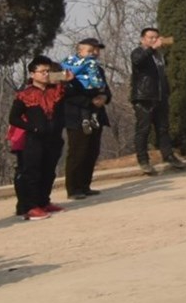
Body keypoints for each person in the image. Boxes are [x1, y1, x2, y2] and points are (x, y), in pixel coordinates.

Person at [10, 56, 68, 219]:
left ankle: (44, 202)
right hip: (34, 140)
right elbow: (13, 118)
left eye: (48, 71)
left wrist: (57, 76)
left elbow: (68, 76)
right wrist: (33, 128)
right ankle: (30, 206)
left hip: (54, 138)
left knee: (49, 171)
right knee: (32, 172)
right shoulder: (24, 95)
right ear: (32, 74)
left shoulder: (57, 90)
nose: (46, 75)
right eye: (42, 72)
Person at [59, 37, 112, 198]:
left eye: (96, 50)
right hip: (77, 117)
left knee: (92, 151)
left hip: (96, 116)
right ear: (79, 51)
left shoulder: (97, 69)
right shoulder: (68, 70)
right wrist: (90, 102)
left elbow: (105, 90)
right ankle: (73, 188)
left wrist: (104, 99)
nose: (94, 53)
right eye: (90, 50)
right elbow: (66, 94)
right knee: (77, 152)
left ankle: (85, 185)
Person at [128, 26, 184, 175]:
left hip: (160, 97)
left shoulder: (159, 55)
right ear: (143, 39)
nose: (154, 40)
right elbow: (138, 62)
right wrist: (151, 49)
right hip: (144, 97)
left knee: (163, 129)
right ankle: (143, 160)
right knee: (143, 129)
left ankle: (169, 156)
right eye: (150, 37)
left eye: (156, 37)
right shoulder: (138, 52)